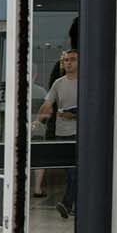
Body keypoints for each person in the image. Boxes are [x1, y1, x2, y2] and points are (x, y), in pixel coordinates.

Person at [33, 48, 79, 218]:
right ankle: (74, 206)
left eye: (72, 59)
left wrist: (72, 115)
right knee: (71, 173)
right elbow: (47, 104)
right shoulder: (58, 83)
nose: (68, 63)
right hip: (62, 134)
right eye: (66, 60)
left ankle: (67, 204)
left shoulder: (85, 82)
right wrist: (39, 120)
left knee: (74, 173)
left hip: (79, 134)